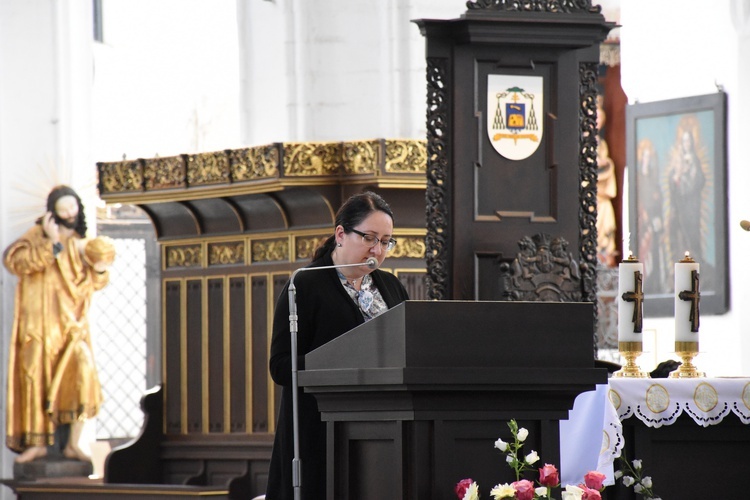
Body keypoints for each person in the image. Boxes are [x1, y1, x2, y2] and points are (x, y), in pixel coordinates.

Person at [265, 191, 410, 500]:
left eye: (386, 241)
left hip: (382, 429)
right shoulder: (304, 285)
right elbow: (280, 365)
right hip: (321, 431)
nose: (378, 250)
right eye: (369, 238)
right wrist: (338, 364)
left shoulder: (392, 286)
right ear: (341, 234)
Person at [4, 185, 115, 463]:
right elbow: (14, 261)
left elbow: (92, 282)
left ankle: (73, 443)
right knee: (34, 379)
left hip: (72, 328)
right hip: (39, 326)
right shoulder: (37, 237)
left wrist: (100, 268)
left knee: (83, 374)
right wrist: (51, 243)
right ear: (53, 212)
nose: (68, 213)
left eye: (72, 207)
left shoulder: (81, 244)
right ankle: (37, 443)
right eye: (63, 209)